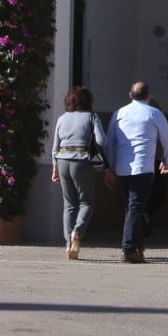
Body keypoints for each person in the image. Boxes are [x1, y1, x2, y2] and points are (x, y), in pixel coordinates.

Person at [102, 80, 168, 264]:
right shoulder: (153, 113)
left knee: (133, 207)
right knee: (136, 207)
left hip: (123, 167)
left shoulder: (119, 113)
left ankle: (138, 247)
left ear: (130, 95)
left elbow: (110, 142)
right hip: (143, 166)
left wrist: (110, 167)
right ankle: (128, 248)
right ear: (149, 96)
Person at [50, 84, 107, 260]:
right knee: (86, 202)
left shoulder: (62, 118)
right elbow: (101, 140)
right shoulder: (91, 116)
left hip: (62, 160)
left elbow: (54, 147)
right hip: (81, 161)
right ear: (88, 101)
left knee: (69, 204)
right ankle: (78, 231)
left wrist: (55, 168)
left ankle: (68, 243)